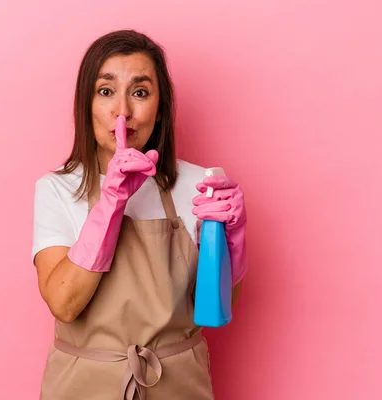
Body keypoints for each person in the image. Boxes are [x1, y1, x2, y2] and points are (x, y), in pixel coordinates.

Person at [31, 29, 248, 400]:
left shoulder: (199, 184)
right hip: (84, 387)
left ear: (160, 108)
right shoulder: (57, 189)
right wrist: (111, 204)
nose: (123, 110)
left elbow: (215, 308)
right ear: (87, 105)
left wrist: (233, 243)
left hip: (179, 385)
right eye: (105, 91)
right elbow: (64, 303)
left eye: (140, 92)